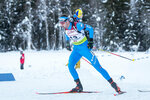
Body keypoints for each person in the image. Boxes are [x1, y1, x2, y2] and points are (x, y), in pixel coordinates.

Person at [58, 14, 123, 94]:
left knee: (98, 67)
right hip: (76, 50)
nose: (61, 25)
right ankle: (79, 86)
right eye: (60, 23)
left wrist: (91, 41)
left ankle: (114, 85)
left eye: (62, 23)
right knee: (70, 66)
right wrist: (67, 43)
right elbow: (67, 34)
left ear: (67, 21)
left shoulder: (77, 26)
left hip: (85, 49)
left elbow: (90, 29)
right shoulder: (65, 28)